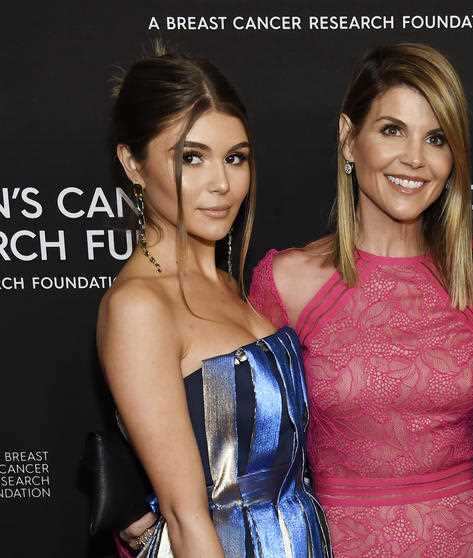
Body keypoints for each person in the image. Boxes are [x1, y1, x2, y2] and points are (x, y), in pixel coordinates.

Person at [249, 43, 473, 557]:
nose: (415, 158)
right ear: (349, 138)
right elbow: (239, 440)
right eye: (392, 130)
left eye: (436, 138)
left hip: (464, 541)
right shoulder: (289, 282)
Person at [98, 46, 330, 557]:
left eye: (235, 158)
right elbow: (186, 520)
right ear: (133, 165)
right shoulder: (139, 306)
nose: (222, 184)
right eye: (191, 158)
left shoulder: (230, 285)